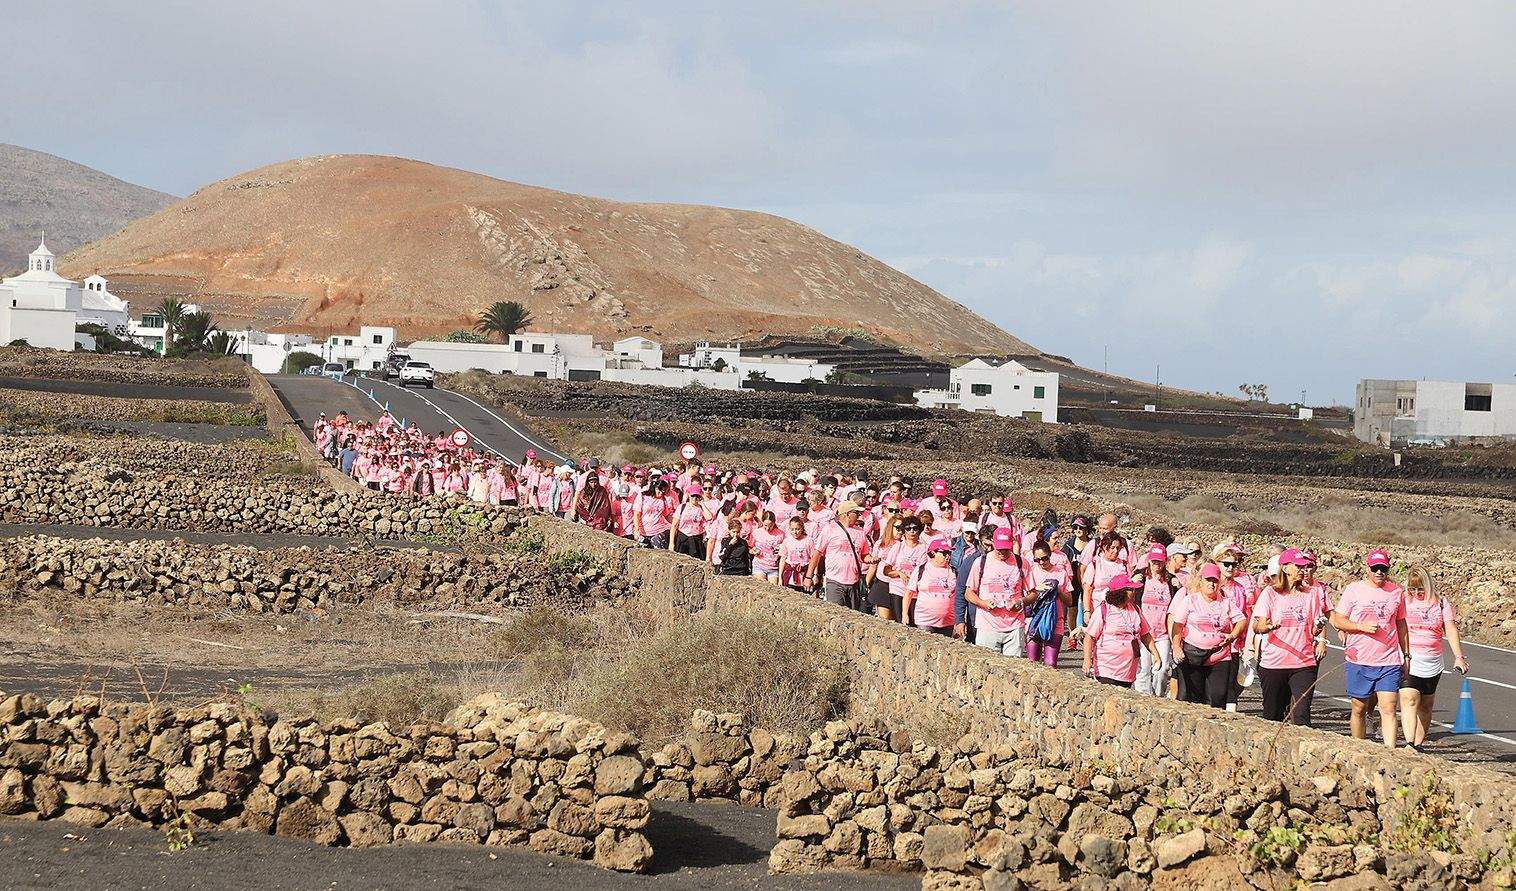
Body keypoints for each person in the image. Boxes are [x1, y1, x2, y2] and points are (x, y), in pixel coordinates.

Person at [1331, 549, 1409, 749]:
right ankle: (1359, 749)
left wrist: (1406, 655)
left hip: (1388, 660)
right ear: (1368, 568)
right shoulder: (1354, 590)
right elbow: (1338, 619)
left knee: (1389, 708)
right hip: (1359, 659)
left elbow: (1401, 624)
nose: (1379, 572)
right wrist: (1360, 627)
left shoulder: (1396, 592)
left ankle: (1390, 753)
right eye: (1375, 568)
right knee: (1358, 708)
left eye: (1383, 568)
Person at [1251, 549, 1328, 726]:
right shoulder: (1270, 593)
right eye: (1298, 566)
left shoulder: (1312, 593)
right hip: (1274, 663)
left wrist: (1318, 628)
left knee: (1301, 716)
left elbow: (1314, 630)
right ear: (1285, 568)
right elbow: (1257, 626)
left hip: (1303, 663)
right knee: (1273, 715)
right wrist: (1268, 627)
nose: (1303, 569)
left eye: (1306, 566)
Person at [1399, 565, 1469, 751]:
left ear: (1428, 585)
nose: (1416, 593)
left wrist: (1458, 657)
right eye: (1412, 589)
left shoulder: (1441, 603)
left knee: (1426, 705)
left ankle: (1419, 744)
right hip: (1408, 658)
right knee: (1409, 698)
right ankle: (1409, 743)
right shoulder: (1403, 600)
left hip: (1432, 661)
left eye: (1420, 589)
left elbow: (1451, 629)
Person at [1171, 563, 1247, 709]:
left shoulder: (1226, 602)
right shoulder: (1190, 600)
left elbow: (1241, 620)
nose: (1212, 584)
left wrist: (1232, 635)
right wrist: (1176, 646)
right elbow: (1177, 625)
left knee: (1217, 697)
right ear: (1201, 581)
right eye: (1208, 580)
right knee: (1195, 698)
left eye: (1215, 580)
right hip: (1194, 655)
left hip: (1220, 655)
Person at [1084, 573, 1160, 688]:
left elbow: (1145, 634)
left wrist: (1156, 655)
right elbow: (1089, 637)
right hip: (1106, 669)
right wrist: (1087, 660)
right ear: (1121, 592)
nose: (1135, 591)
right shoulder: (1103, 610)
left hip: (1128, 671)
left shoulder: (1135, 609)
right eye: (1131, 589)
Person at [964, 527, 1031, 656]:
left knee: (1013, 669)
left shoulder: (1021, 563)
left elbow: (1033, 593)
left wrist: (1020, 602)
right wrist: (983, 603)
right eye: (999, 549)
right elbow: (968, 592)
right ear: (993, 543)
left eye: (1006, 549)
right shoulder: (980, 563)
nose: (1002, 553)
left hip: (1014, 626)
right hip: (987, 626)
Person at [808, 501, 873, 608]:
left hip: (854, 581)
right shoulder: (829, 529)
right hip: (834, 580)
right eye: (856, 513)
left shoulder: (860, 532)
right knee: (835, 613)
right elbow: (817, 553)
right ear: (847, 514)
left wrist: (871, 559)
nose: (859, 515)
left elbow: (864, 555)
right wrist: (809, 576)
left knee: (853, 615)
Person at [1134, 544, 1176, 697]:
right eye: (1153, 561)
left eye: (1159, 561)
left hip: (1163, 632)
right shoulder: (1141, 577)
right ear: (1149, 561)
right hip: (1144, 631)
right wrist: (1132, 582)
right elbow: (1127, 596)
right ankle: (1142, 699)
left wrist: (1178, 586)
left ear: (1165, 561)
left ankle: (1158, 697)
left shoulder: (1171, 581)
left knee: (1163, 667)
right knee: (1144, 668)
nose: (1156, 565)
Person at [879, 517, 928, 623]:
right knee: (900, 621)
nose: (912, 531)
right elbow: (886, 570)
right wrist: (899, 573)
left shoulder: (924, 548)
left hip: (914, 591)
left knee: (914, 622)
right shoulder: (898, 546)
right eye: (908, 529)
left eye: (915, 528)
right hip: (898, 588)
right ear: (904, 531)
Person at [904, 539, 958, 636]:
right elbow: (909, 593)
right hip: (925, 620)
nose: (947, 556)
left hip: (947, 621)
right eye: (944, 553)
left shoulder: (954, 571)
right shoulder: (922, 569)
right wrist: (905, 614)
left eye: (949, 552)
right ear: (933, 553)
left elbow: (958, 596)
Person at [777, 516, 815, 593]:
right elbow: (783, 559)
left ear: (802, 528)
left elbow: (813, 559)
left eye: (797, 529)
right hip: (790, 576)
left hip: (804, 575)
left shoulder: (808, 540)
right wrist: (780, 577)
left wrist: (814, 575)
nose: (795, 532)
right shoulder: (787, 541)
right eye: (792, 529)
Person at [749, 511, 784, 582]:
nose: (768, 528)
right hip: (759, 565)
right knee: (761, 587)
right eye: (765, 525)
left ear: (774, 523)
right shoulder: (756, 532)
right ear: (762, 522)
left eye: (770, 525)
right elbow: (749, 547)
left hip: (773, 567)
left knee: (773, 589)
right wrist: (753, 551)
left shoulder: (781, 534)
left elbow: (784, 550)